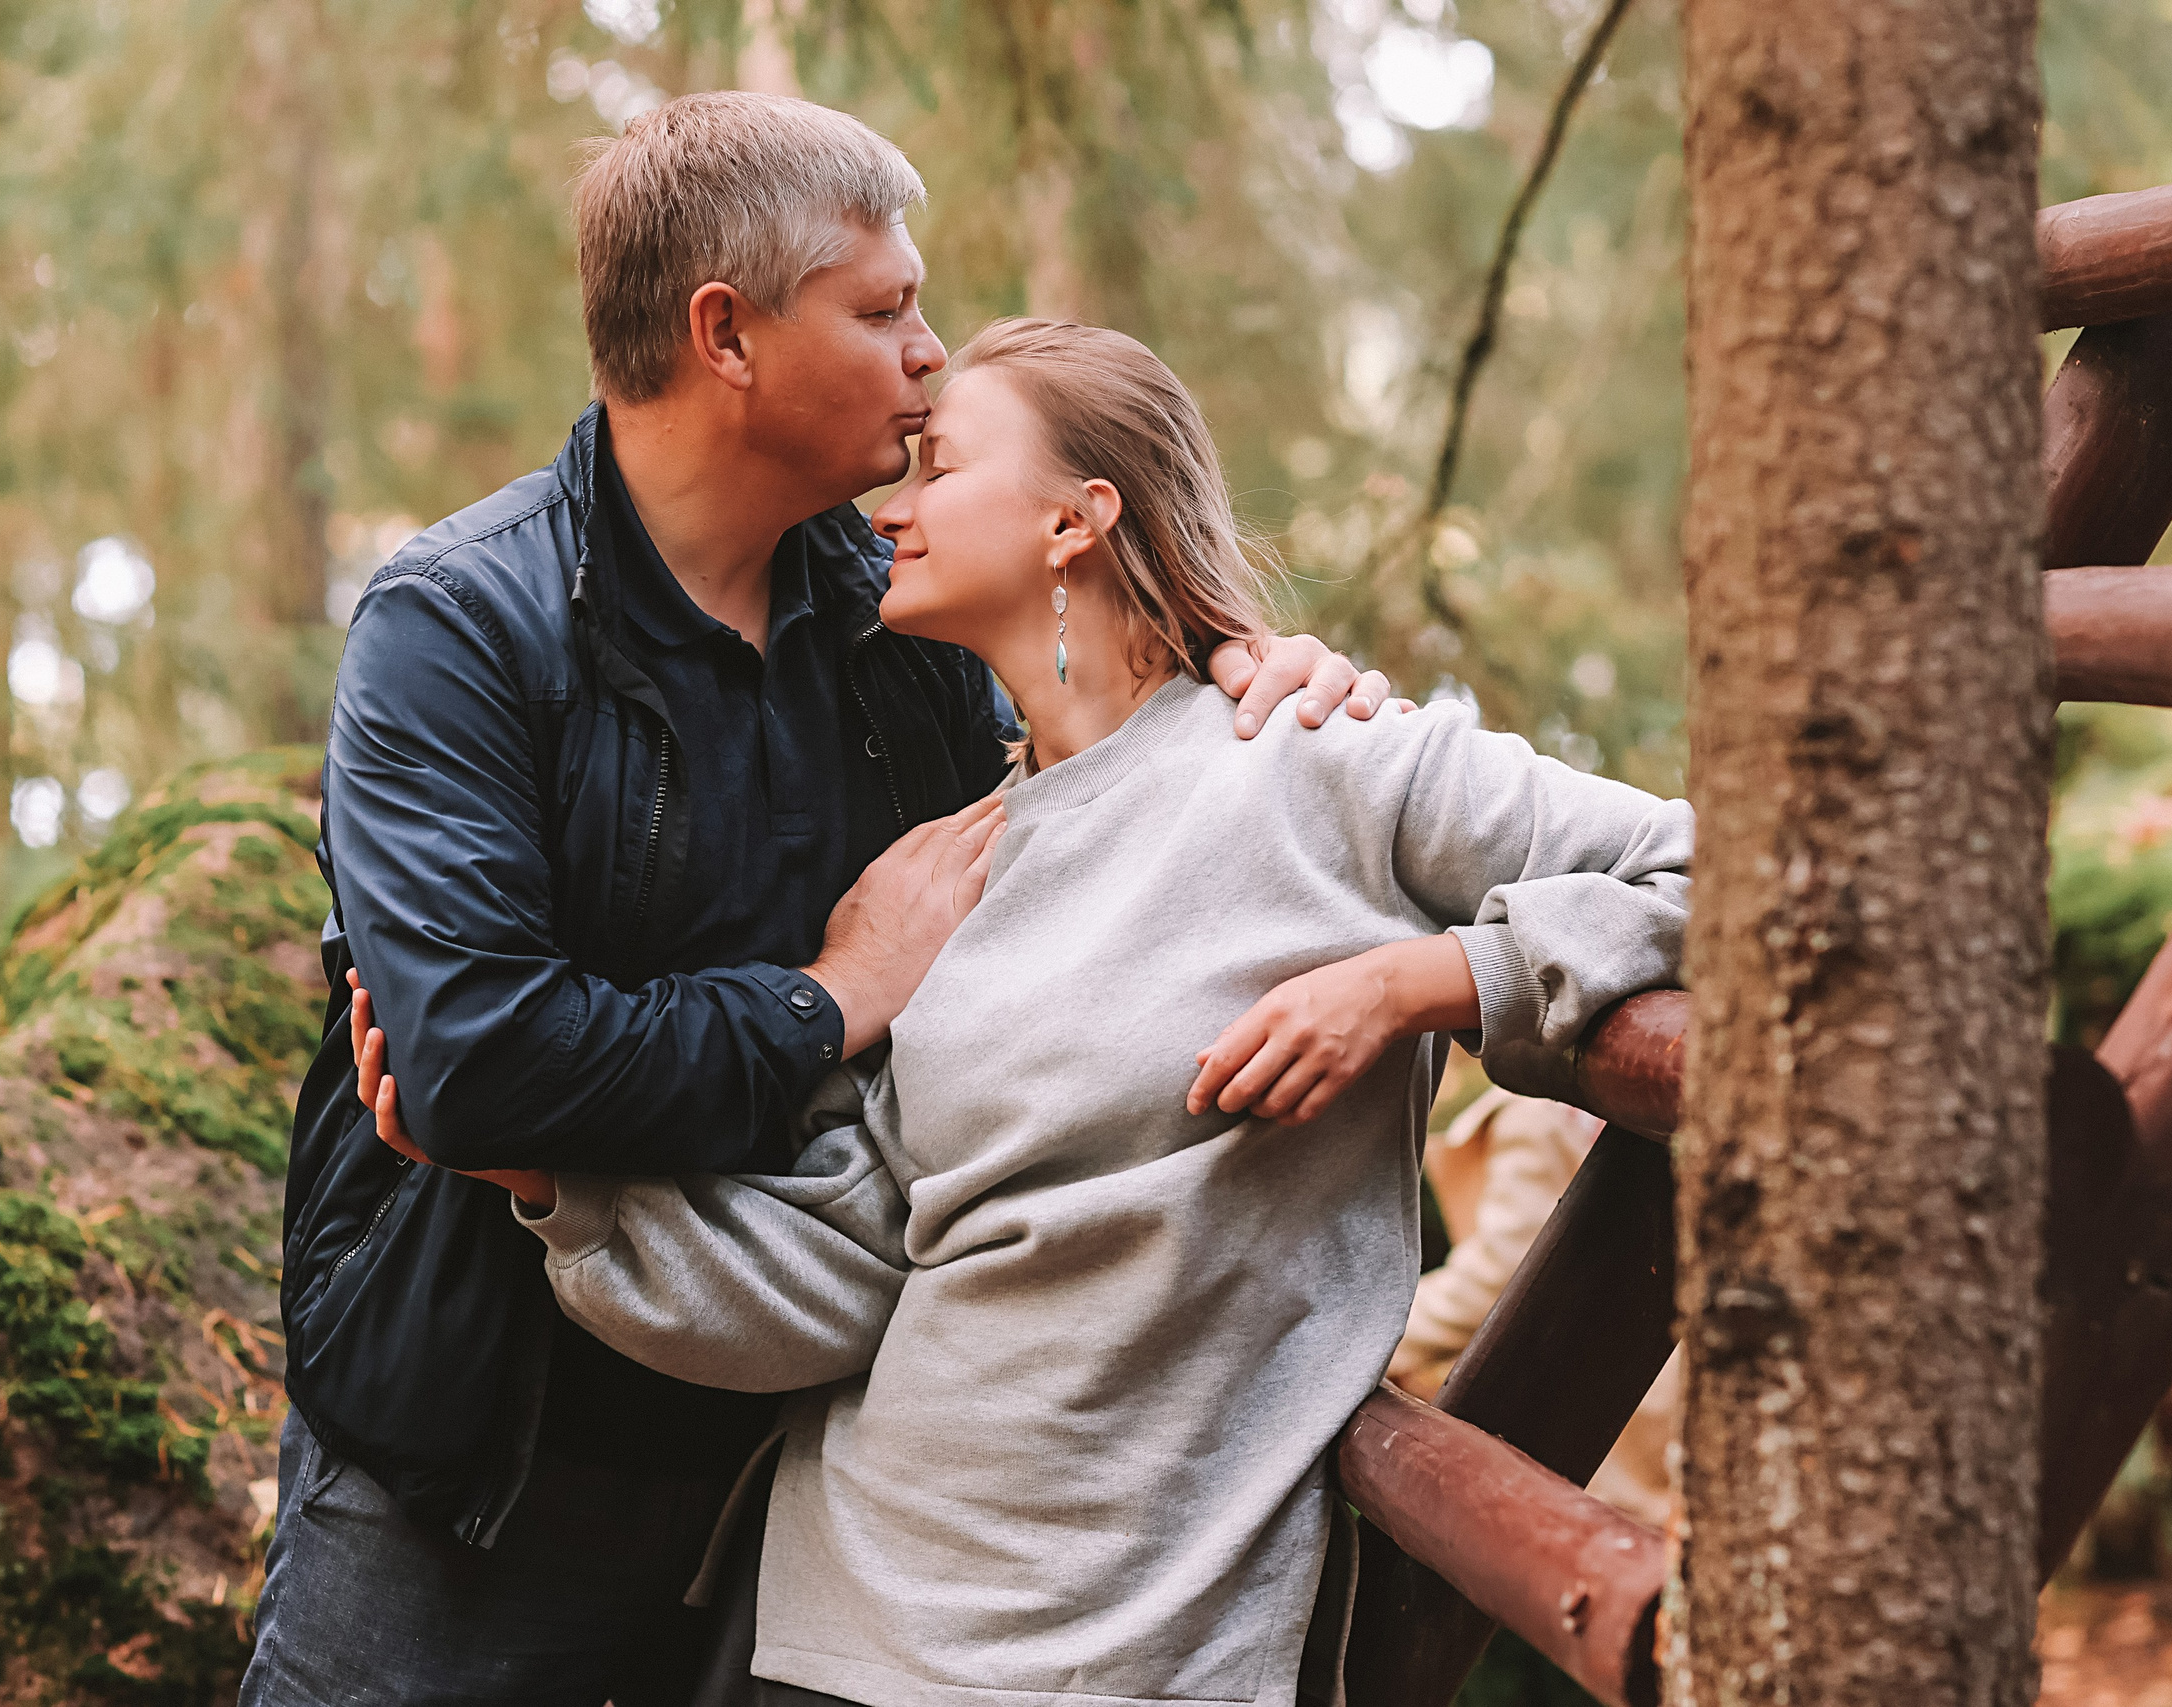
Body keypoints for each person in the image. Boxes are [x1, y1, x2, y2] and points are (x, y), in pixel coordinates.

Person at [358, 318, 1694, 1707]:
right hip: (837, 1622)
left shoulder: (1317, 756)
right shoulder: (963, 855)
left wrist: (1423, 982)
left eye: (937, 464)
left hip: (1142, 1648)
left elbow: (1722, 870)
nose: (892, 505)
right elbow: (851, 1261)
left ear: (1076, 517)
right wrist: (550, 1185)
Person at [249, 95, 1389, 1707]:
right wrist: (833, 993)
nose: (931, 352)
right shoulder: (461, 627)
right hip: (477, 1472)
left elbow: (1091, 791)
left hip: (798, 1458)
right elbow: (474, 1067)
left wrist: (1235, 668)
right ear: (726, 333)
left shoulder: (901, 619)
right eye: (882, 309)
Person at [1386, 1084, 1677, 1526]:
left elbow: (1499, 1275)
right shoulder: (1595, 1100)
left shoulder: (1535, 1115)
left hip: (1601, 1383)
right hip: (1644, 1370)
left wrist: (1379, 1342)